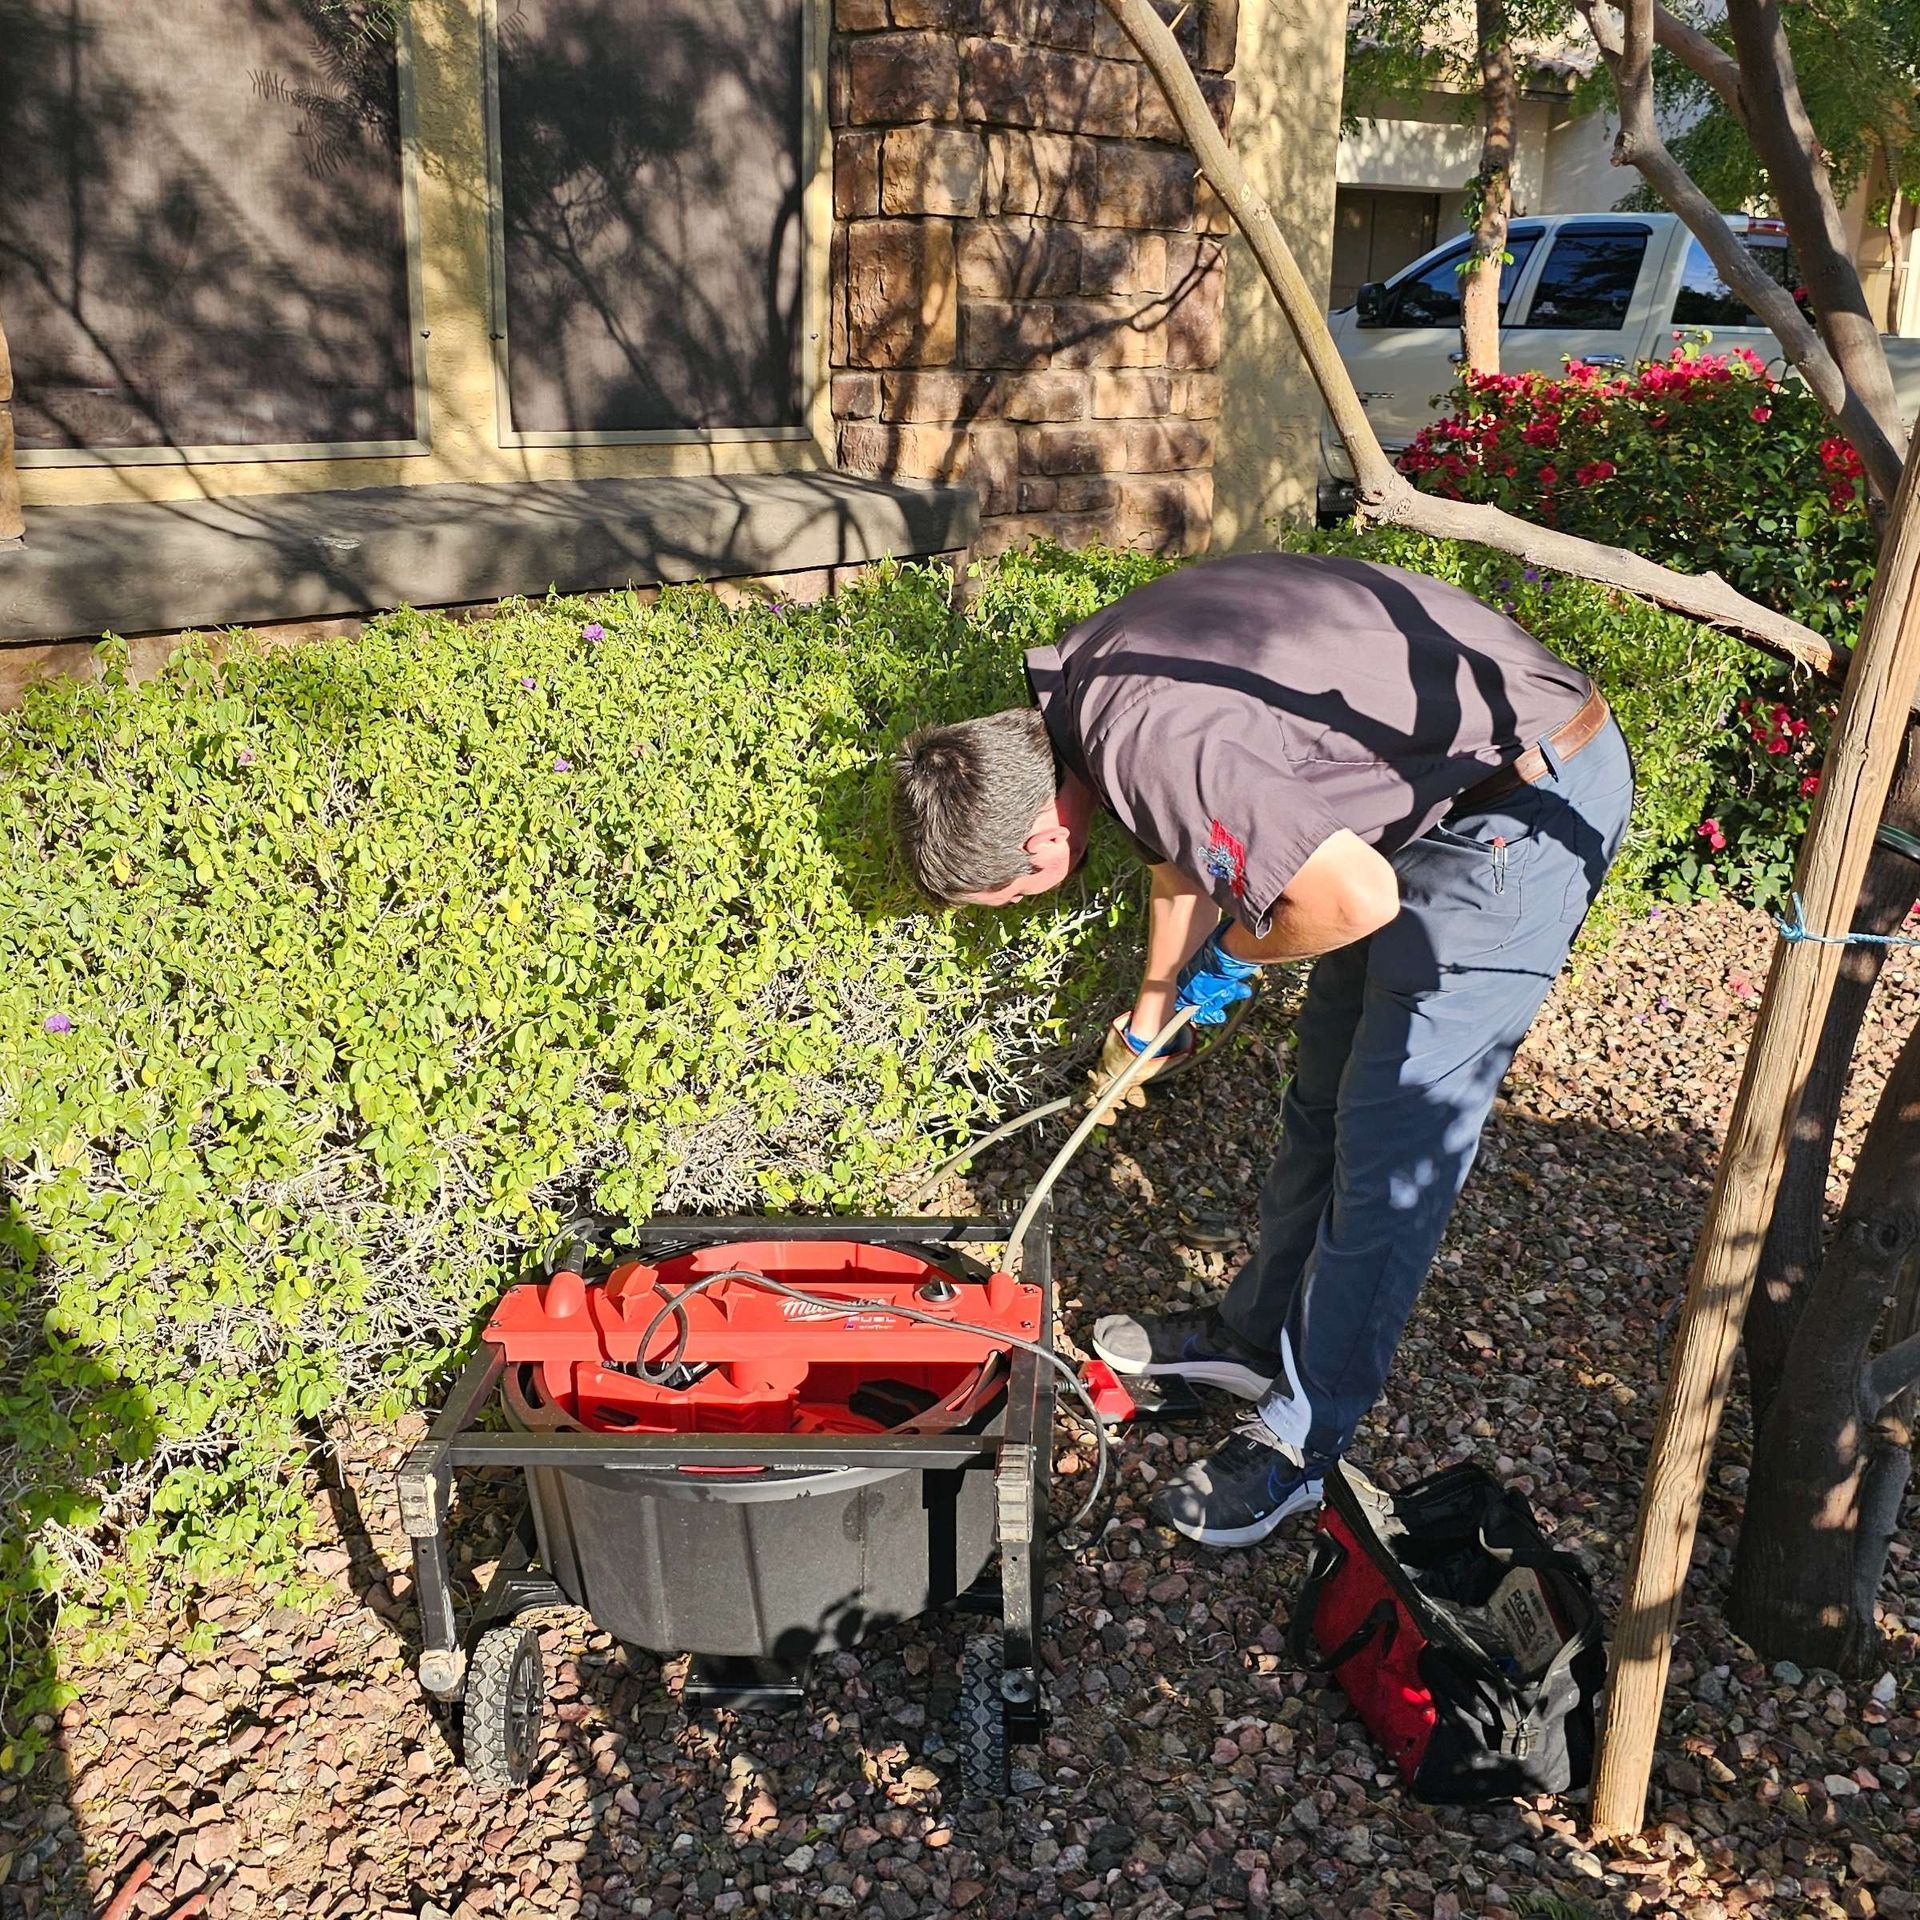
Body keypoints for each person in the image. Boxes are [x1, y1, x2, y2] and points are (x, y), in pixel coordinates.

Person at [890, 551, 1633, 1547]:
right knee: (1321, 1100)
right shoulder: (1084, 694)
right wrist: (1156, 1006)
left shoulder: (1146, 741)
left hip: (1518, 816)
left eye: (1011, 898)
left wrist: (1229, 961)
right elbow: (1181, 850)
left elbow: (1345, 900)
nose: (1027, 902)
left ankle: (1301, 1440)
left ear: (1037, 846)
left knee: (1387, 1162)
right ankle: (1254, 1340)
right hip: (1419, 813)